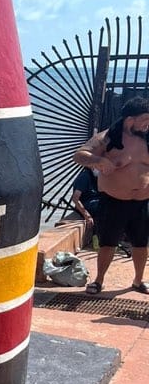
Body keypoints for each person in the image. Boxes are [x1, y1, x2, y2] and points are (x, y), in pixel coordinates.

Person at [73, 96, 149, 293]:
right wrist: (100, 160)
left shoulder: (147, 138)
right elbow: (80, 154)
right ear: (130, 119)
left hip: (142, 202)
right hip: (114, 201)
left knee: (141, 244)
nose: (147, 124)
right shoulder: (108, 138)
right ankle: (98, 280)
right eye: (145, 119)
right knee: (108, 243)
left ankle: (138, 281)